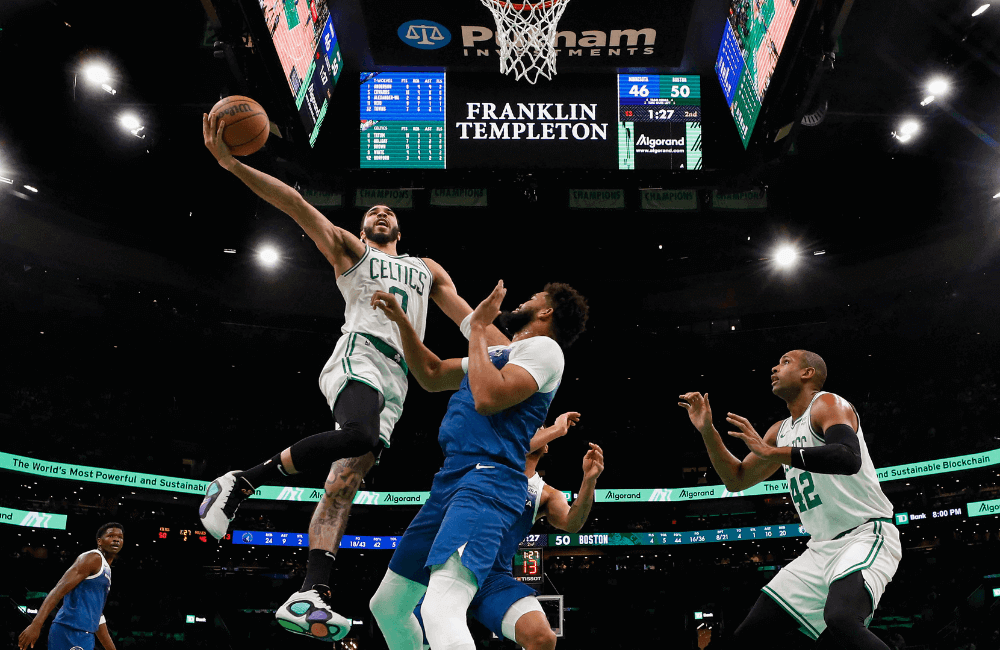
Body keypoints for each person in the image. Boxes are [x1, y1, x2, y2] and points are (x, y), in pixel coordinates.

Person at [196, 111, 507, 641]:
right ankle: (241, 479)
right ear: (364, 227)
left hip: (401, 379)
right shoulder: (350, 251)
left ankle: (312, 591)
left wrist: (518, 354)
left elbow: (471, 323)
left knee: (343, 483)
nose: (381, 212)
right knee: (359, 436)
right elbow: (294, 204)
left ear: (400, 229)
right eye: (374, 211)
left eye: (389, 211)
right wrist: (230, 164)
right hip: (359, 356)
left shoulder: (426, 268)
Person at [368, 279, 589, 650]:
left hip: (489, 479)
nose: (525, 299)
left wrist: (475, 329)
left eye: (533, 297)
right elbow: (432, 373)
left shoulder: (545, 349)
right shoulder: (501, 354)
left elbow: (488, 398)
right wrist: (402, 321)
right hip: (451, 478)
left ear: (547, 311)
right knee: (387, 606)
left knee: (441, 607)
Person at [679, 350, 901, 649]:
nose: (774, 366)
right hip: (820, 550)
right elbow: (736, 480)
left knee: (842, 618)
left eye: (785, 362)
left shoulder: (827, 403)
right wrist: (707, 430)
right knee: (748, 636)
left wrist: (773, 453)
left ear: (808, 373)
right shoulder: (778, 431)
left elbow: (847, 457)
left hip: (864, 534)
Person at [416, 434, 605, 650]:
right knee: (411, 640)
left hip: (493, 579)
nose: (534, 428)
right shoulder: (486, 466)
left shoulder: (546, 495)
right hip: (450, 567)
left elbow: (572, 524)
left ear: (546, 447)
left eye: (541, 427)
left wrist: (589, 480)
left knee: (542, 638)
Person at [19, 522, 124, 650]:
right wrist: (36, 624)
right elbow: (58, 590)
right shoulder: (92, 558)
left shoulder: (106, 569)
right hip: (70, 630)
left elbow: (97, 616)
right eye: (111, 535)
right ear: (99, 541)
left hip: (84, 634)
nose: (116, 539)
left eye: (120, 537)